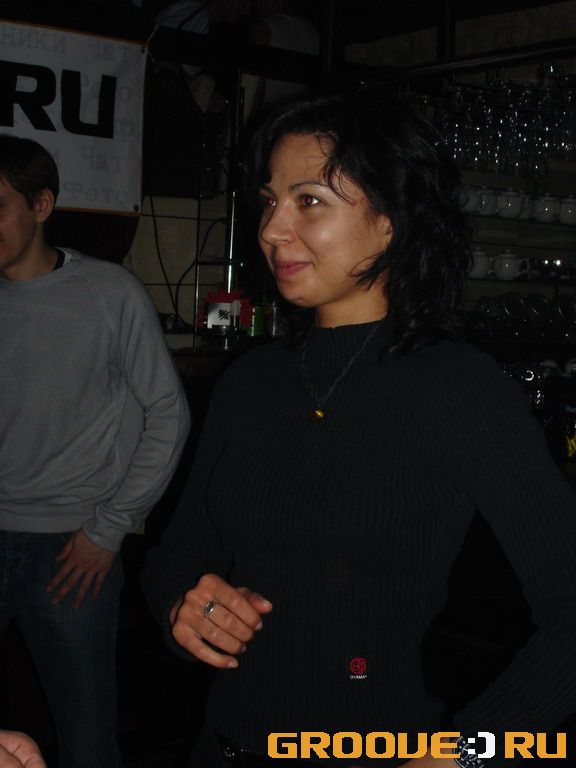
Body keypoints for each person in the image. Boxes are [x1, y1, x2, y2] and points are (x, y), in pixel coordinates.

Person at [141, 87, 576, 767]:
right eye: (269, 201)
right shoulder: (251, 382)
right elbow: (178, 554)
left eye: (309, 201)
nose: (271, 229)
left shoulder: (457, 388)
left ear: (390, 220)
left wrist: (470, 751)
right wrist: (183, 609)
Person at [0, 135, 190, 768]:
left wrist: (109, 529)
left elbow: (168, 413)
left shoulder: (109, 292)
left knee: (86, 736)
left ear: (41, 205)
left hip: (70, 546)